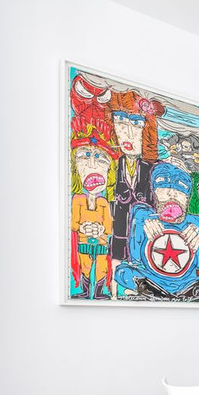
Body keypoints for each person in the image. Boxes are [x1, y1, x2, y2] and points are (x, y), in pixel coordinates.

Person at [113, 162, 199, 300]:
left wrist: (198, 240)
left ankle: (176, 293)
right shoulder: (142, 214)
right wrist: (140, 223)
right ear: (155, 192)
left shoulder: (195, 222)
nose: (172, 194)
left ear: (187, 197)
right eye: (164, 187)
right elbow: (135, 257)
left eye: (180, 189)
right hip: (152, 279)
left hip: (185, 282)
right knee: (121, 272)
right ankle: (154, 291)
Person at [107, 90, 163, 297]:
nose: (127, 134)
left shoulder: (154, 171)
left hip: (144, 247)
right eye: (120, 122)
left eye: (136, 125)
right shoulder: (110, 166)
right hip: (116, 243)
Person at [69, 120, 117, 298]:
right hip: (83, 242)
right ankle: (85, 291)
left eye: (100, 159)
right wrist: (83, 228)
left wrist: (100, 230)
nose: (92, 165)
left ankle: (98, 292)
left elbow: (109, 226)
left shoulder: (104, 202)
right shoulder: (77, 200)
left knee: (102, 267)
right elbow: (73, 223)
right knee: (85, 265)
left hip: (101, 243)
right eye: (84, 156)